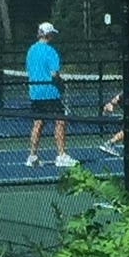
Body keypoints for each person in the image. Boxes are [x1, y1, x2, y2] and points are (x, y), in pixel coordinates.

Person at [25, 21, 77, 168]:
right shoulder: (50, 51)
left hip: (35, 93)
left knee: (38, 123)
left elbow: (30, 70)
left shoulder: (31, 50)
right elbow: (54, 74)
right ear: (48, 34)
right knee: (59, 121)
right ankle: (61, 155)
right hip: (50, 93)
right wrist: (61, 85)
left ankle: (32, 155)